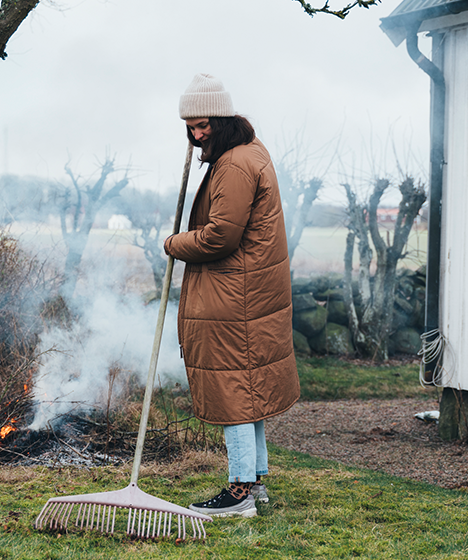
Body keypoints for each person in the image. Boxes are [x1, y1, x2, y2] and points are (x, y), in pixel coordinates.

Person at [164, 73, 300, 518]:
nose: (196, 135)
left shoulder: (236, 165)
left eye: (203, 125)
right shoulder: (245, 151)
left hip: (234, 296)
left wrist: (174, 243)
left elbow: (220, 236)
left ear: (222, 119)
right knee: (247, 391)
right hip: (245, 293)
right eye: (190, 128)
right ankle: (255, 483)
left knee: (234, 394)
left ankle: (239, 492)